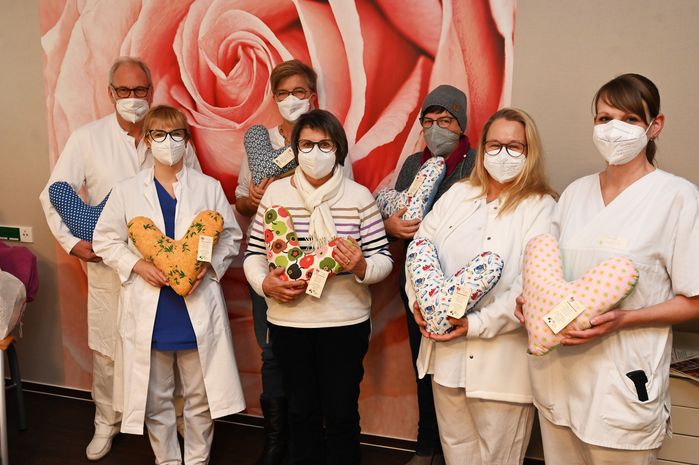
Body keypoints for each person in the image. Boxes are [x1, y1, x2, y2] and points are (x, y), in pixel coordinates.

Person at [516, 73, 699, 465]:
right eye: (603, 118)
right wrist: (528, 302)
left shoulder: (677, 197)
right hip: (557, 377)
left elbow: (694, 301)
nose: (614, 129)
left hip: (622, 385)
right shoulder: (575, 194)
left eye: (630, 119)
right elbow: (548, 274)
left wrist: (624, 319)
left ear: (655, 125)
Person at [39, 56, 200, 461]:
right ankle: (105, 422)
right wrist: (74, 244)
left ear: (151, 91)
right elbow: (53, 192)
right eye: (124, 91)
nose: (133, 98)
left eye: (140, 90)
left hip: (163, 268)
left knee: (167, 347)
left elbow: (195, 193)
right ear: (111, 93)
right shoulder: (87, 138)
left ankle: (177, 421)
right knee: (109, 351)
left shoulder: (170, 137)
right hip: (112, 268)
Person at [93, 105, 245, 465]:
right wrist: (138, 265)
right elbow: (105, 240)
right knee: (156, 394)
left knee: (199, 393)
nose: (168, 142)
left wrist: (205, 268)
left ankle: (196, 458)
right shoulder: (128, 191)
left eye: (176, 134)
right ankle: (167, 459)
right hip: (152, 307)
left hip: (196, 303)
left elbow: (231, 237)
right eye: (159, 134)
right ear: (147, 141)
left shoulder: (208, 189)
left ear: (187, 141)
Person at [408, 108, 557, 465]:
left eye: (514, 146)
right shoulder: (459, 195)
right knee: (456, 454)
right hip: (444, 361)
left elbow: (533, 286)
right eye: (494, 145)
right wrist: (420, 304)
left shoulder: (542, 206)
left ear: (529, 151)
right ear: (482, 148)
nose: (502, 154)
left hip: (501, 368)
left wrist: (477, 323)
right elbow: (420, 252)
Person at [243, 109, 393, 465]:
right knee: (300, 413)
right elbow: (253, 254)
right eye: (306, 144)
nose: (315, 152)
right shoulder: (276, 194)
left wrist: (359, 266)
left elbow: (383, 259)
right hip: (289, 324)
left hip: (344, 324)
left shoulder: (359, 197)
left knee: (341, 414)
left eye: (324, 144)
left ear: (338, 149)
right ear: (295, 149)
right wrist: (265, 283)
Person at [385, 84, 476, 465]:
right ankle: (426, 446)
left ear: (461, 125)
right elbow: (400, 208)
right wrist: (392, 225)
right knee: (422, 363)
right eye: (429, 121)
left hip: (464, 284)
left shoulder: (476, 165)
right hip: (416, 284)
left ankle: (460, 451)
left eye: (445, 121)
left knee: (460, 369)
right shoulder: (412, 165)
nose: (436, 128)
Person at [236, 59, 319, 465]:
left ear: (312, 95)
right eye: (283, 93)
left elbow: (347, 194)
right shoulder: (258, 141)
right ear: (274, 98)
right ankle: (275, 439)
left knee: (314, 352)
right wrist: (249, 200)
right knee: (272, 352)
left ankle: (309, 436)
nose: (291, 100)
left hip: (318, 267)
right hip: (268, 265)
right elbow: (240, 197)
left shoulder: (325, 140)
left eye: (299, 92)